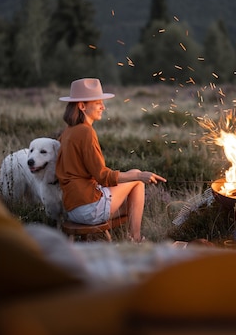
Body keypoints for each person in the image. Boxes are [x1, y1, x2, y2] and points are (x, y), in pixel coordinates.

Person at [55, 78, 166, 242]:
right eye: (98, 102)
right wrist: (138, 176)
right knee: (136, 178)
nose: (103, 107)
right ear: (82, 106)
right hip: (88, 208)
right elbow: (102, 176)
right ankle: (135, 239)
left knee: (131, 192)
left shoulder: (67, 132)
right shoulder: (86, 132)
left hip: (72, 208)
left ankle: (132, 238)